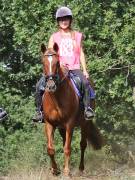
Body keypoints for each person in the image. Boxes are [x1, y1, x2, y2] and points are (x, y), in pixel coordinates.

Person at [32, 6, 95, 122]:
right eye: (61, 19)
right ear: (58, 21)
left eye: (66, 19)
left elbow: (81, 53)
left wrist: (85, 70)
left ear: (70, 20)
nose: (64, 21)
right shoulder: (54, 37)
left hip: (74, 68)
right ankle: (39, 112)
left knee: (85, 83)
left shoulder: (77, 35)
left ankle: (87, 109)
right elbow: (49, 54)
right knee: (39, 86)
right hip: (59, 70)